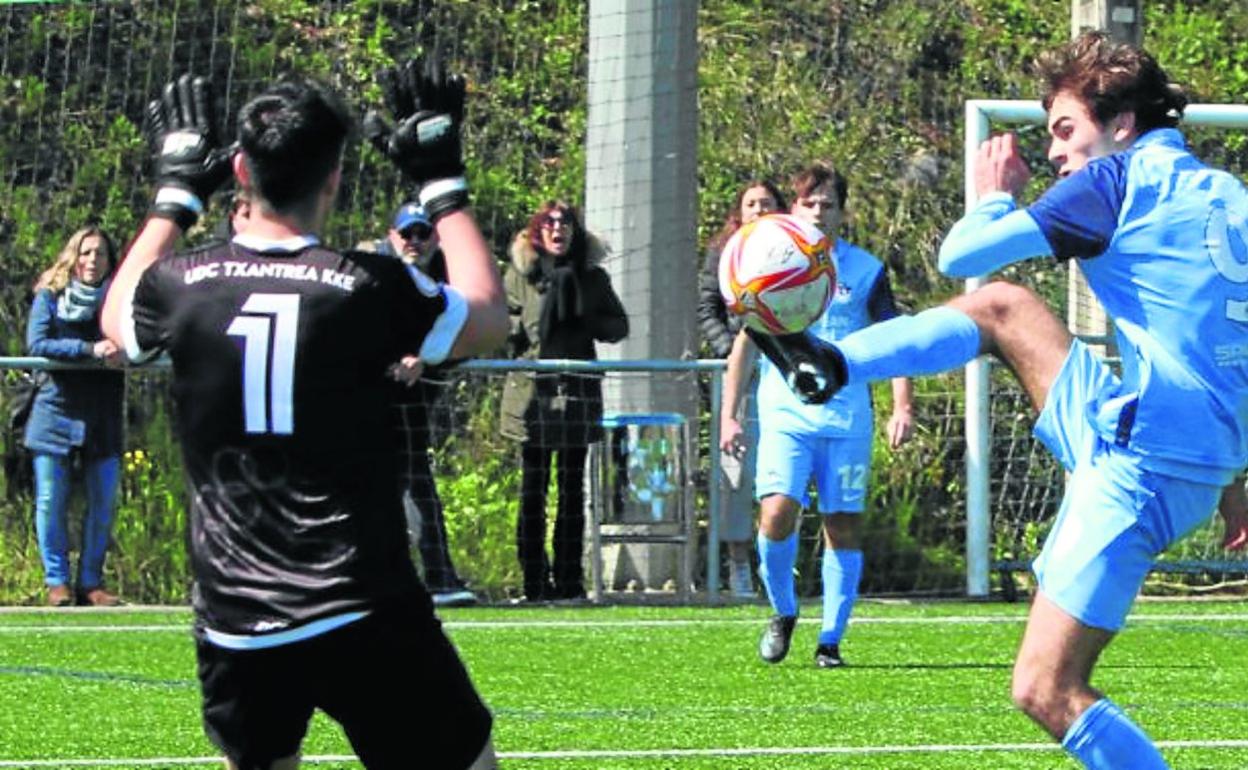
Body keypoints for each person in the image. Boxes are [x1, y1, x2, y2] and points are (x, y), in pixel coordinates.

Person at [754, 33, 1247, 768]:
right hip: (1171, 444)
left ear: (1121, 125)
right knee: (1004, 308)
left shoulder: (1114, 183)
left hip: (1142, 467)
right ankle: (831, 363)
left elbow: (959, 253)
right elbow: (1216, 343)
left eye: (1065, 128)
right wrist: (1237, 475)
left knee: (1045, 688)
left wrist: (993, 196)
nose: (1054, 150)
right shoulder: (1229, 195)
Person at [101, 60, 507, 770]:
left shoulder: (180, 287)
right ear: (336, 177)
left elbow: (119, 317)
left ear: (238, 169)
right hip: (361, 602)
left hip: (236, 621)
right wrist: (443, 183)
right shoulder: (368, 284)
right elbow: (487, 316)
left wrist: (174, 198)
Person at [720, 164, 913, 668]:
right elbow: (745, 343)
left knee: (842, 524)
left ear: (843, 212)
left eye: (828, 204)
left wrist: (902, 405)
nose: (819, 212)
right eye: (809, 203)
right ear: (794, 208)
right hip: (786, 414)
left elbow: (895, 339)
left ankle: (830, 640)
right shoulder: (769, 258)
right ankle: (783, 611)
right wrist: (729, 415)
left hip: (847, 417)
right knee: (777, 513)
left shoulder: (866, 270)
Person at [501, 201, 628, 601]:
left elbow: (617, 326)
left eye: (566, 223)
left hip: (576, 395)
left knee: (573, 490)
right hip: (530, 399)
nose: (559, 230)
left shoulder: (592, 277)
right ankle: (534, 582)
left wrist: (583, 312)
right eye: (550, 223)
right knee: (532, 490)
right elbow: (504, 329)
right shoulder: (519, 275)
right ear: (537, 231)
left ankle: (570, 579)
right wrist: (524, 324)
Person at [366, 202, 478, 607]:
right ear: (391, 234)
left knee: (417, 481)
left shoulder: (450, 274)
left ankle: (439, 576)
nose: (415, 242)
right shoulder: (370, 267)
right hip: (365, 394)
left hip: (415, 399)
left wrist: (425, 357)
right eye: (407, 233)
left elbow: (475, 329)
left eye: (423, 233)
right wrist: (388, 358)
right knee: (363, 485)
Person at [24, 226, 126, 607]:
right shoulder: (50, 296)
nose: (92, 260)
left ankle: (91, 583)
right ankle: (57, 583)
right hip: (54, 410)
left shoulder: (119, 300)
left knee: (103, 501)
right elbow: (37, 343)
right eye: (85, 252)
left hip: (102, 413)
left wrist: (127, 348)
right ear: (73, 255)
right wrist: (89, 349)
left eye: (99, 253)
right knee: (50, 499)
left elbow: (141, 337)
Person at [696, 179, 785, 598]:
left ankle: (780, 564)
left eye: (767, 203)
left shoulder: (794, 250)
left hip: (785, 371)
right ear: (740, 211)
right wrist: (731, 350)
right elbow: (707, 307)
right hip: (742, 378)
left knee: (784, 471)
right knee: (735, 474)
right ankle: (738, 565)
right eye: (752, 204)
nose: (759, 210)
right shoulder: (724, 254)